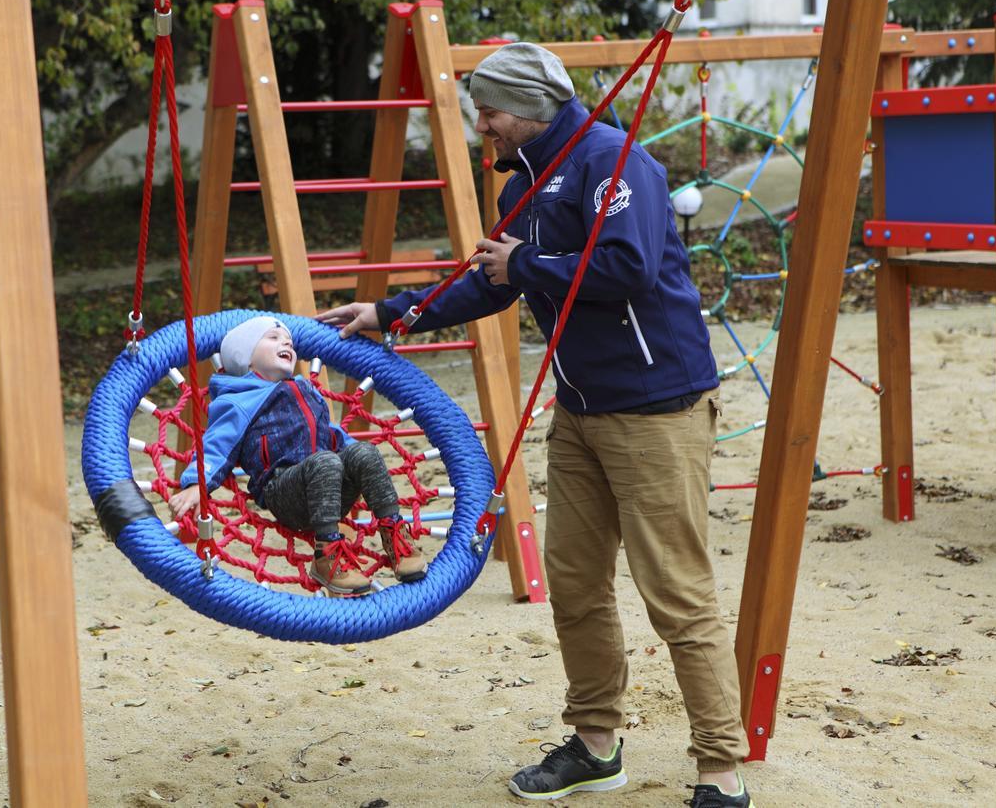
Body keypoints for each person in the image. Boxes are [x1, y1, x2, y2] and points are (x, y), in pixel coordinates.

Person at [317, 43, 753, 806]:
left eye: (488, 109)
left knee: (676, 593)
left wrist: (524, 266)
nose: (479, 123)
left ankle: (721, 771)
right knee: (577, 585)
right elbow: (491, 278)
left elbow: (625, 267)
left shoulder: (614, 163)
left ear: (528, 106)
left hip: (657, 408)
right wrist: (389, 313)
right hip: (580, 410)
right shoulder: (521, 181)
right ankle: (595, 742)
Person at [169, 315, 428, 595]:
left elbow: (332, 435)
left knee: (363, 451)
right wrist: (199, 484)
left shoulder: (305, 390)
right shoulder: (238, 400)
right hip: (284, 491)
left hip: (329, 492)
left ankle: (395, 537)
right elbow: (217, 444)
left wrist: (363, 467)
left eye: (289, 342)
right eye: (273, 338)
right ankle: (327, 557)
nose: (286, 344)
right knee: (325, 461)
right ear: (246, 358)